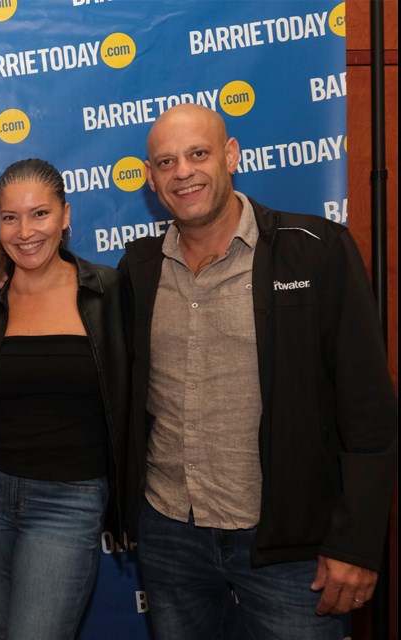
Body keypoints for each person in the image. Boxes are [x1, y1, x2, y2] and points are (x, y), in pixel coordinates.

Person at [120, 103, 397, 639]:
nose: (183, 172)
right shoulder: (140, 269)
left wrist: (356, 543)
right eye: (166, 162)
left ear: (230, 156)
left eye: (198, 154)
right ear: (152, 181)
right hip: (171, 533)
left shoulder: (316, 251)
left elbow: (369, 412)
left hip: (290, 549)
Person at [0, 158, 129, 639]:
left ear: (66, 215)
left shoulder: (109, 292)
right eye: (10, 217)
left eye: (40, 214)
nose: (25, 231)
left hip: (69, 502)